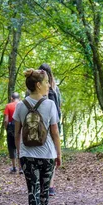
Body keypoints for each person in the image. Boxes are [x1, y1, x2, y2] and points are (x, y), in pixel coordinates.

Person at [13, 68, 62, 205]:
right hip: (47, 154)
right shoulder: (50, 105)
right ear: (39, 85)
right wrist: (58, 154)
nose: (49, 85)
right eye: (47, 82)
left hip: (27, 156)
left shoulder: (20, 105)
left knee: (32, 190)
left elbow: (16, 133)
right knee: (44, 190)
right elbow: (55, 133)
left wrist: (20, 154)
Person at [39, 63, 62, 196]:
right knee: (51, 153)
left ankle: (48, 184)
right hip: (52, 123)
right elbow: (59, 107)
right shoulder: (56, 89)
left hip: (39, 125)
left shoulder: (32, 90)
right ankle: (49, 185)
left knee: (47, 153)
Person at [4, 92, 21, 174]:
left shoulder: (8, 106)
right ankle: (21, 168)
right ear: (19, 98)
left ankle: (14, 167)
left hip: (11, 128)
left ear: (11, 98)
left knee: (11, 147)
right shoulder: (22, 105)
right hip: (21, 128)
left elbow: (6, 120)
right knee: (20, 148)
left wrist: (6, 128)